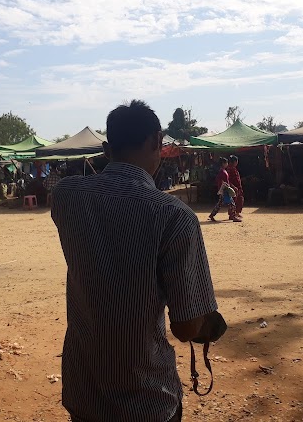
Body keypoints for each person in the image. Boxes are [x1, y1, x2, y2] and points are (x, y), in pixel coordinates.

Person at [52, 99, 224, 422]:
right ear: (156, 143)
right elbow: (186, 327)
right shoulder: (175, 217)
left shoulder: (66, 196)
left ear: (106, 148)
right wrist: (207, 324)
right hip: (146, 399)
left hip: (85, 392)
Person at [208, 157, 240, 222]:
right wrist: (230, 188)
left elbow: (218, 180)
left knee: (219, 204)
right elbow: (225, 182)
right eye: (226, 163)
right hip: (225, 190)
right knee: (232, 204)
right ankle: (233, 216)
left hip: (222, 189)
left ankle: (212, 215)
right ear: (223, 163)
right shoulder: (223, 172)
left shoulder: (222, 171)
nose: (227, 164)